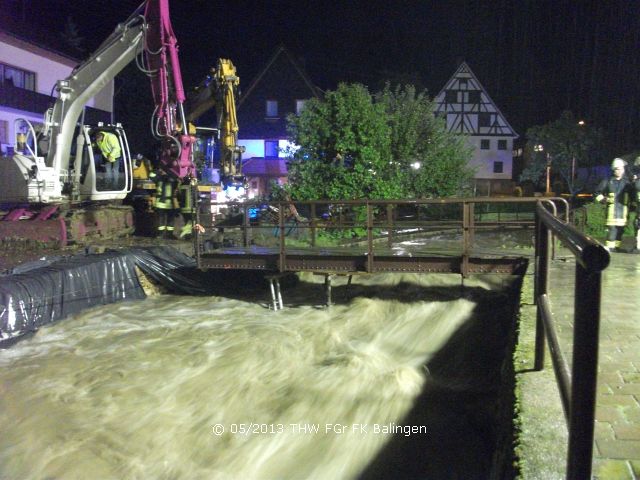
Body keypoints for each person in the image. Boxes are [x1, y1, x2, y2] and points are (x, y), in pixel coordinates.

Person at [594, 158, 634, 252]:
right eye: (617, 169)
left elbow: (632, 196)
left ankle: (616, 248)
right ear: (613, 169)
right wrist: (604, 199)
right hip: (611, 212)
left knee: (620, 231)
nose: (619, 171)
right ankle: (610, 248)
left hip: (623, 212)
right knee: (612, 230)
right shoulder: (608, 181)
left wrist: (633, 206)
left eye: (621, 169)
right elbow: (596, 193)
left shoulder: (627, 182)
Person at [153, 170, 179, 238]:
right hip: (169, 203)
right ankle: (169, 234)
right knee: (170, 219)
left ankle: (160, 234)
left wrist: (157, 171)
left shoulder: (158, 178)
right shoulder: (173, 179)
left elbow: (152, 176)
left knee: (161, 219)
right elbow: (177, 185)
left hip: (160, 203)